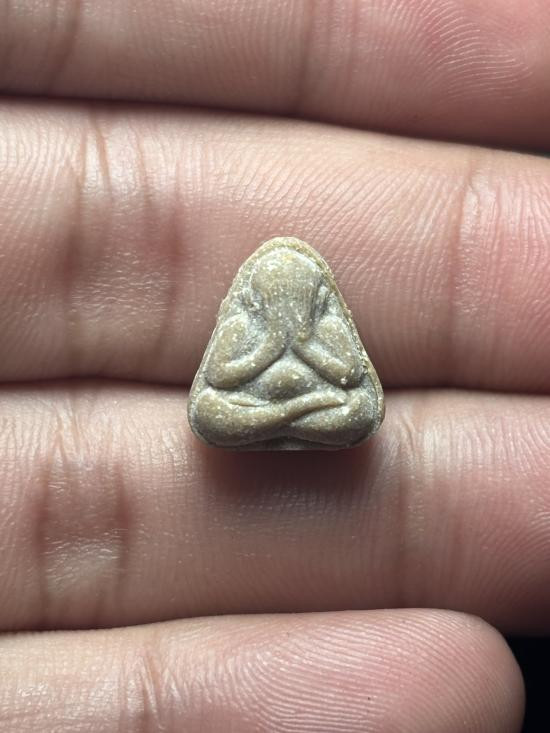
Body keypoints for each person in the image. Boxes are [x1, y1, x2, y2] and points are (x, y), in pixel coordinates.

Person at [0, 2, 548, 730]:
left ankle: (289, 423)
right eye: (276, 302)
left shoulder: (322, 321)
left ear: (316, 295)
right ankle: (290, 422)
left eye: (302, 301)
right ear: (257, 298)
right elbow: (218, 391)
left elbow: (351, 386)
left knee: (358, 414)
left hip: (306, 408)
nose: (290, 311)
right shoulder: (245, 323)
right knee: (213, 415)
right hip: (270, 406)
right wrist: (276, 365)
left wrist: (304, 354)